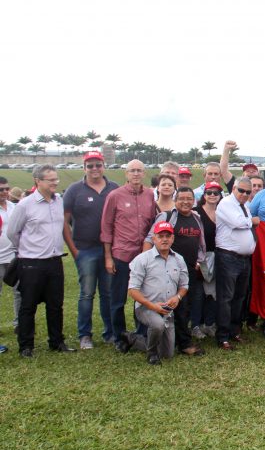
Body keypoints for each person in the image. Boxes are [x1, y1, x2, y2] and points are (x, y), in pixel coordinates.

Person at [7, 165, 75, 358]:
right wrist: (28, 249)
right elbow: (13, 232)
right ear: (38, 181)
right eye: (50, 180)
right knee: (28, 306)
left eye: (56, 179)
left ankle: (56, 341)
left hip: (54, 261)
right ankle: (26, 346)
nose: (55, 183)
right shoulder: (25, 205)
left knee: (55, 305)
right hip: (31, 263)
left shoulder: (58, 201)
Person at [62, 150, 119, 349]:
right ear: (84, 167)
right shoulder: (74, 189)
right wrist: (74, 250)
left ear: (104, 166)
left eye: (98, 165)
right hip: (85, 250)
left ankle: (110, 332)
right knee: (87, 294)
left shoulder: (113, 188)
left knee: (108, 293)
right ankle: (84, 334)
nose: (94, 169)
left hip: (109, 251)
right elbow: (64, 222)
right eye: (90, 165)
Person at [143, 187, 206, 357]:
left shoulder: (196, 218)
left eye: (189, 198)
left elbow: (200, 243)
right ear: (175, 200)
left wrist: (198, 261)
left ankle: (179, 339)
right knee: (178, 305)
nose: (185, 202)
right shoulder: (167, 216)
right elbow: (150, 238)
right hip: (169, 269)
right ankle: (182, 343)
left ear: (194, 201)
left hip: (189, 269)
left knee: (185, 306)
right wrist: (147, 263)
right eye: (181, 198)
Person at [117, 221, 189, 365]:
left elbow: (184, 285)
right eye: (160, 236)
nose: (164, 239)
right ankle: (151, 354)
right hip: (146, 308)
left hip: (168, 311)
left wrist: (178, 297)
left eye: (168, 236)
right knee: (157, 325)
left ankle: (132, 338)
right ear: (154, 239)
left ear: (173, 239)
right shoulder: (142, 259)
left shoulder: (179, 259)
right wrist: (152, 306)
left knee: (168, 353)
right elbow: (132, 290)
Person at [101, 159, 158, 342]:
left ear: (144, 174)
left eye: (139, 171)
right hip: (121, 255)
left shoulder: (150, 195)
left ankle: (140, 333)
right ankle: (119, 336)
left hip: (143, 256)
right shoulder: (115, 196)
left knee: (142, 298)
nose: (135, 174)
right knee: (118, 300)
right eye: (132, 171)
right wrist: (108, 257)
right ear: (126, 174)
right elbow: (106, 227)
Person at [214, 177, 256, 350]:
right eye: (241, 190)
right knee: (226, 298)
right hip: (228, 257)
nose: (244, 194)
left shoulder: (244, 206)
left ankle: (234, 331)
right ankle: (222, 336)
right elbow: (238, 223)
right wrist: (253, 221)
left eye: (248, 192)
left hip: (244, 259)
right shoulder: (225, 204)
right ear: (234, 189)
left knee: (239, 297)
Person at [193, 182, 221, 338]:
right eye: (209, 192)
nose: (212, 195)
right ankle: (195, 325)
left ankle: (209, 324)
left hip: (218, 256)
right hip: (201, 257)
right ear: (204, 195)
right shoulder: (195, 212)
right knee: (199, 293)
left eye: (215, 193)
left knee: (214, 293)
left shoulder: (223, 212)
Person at [0, 176, 19, 341]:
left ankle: (19, 324)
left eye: (7, 189)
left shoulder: (14, 207)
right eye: (1, 189)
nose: (5, 192)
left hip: (13, 256)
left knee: (19, 291)